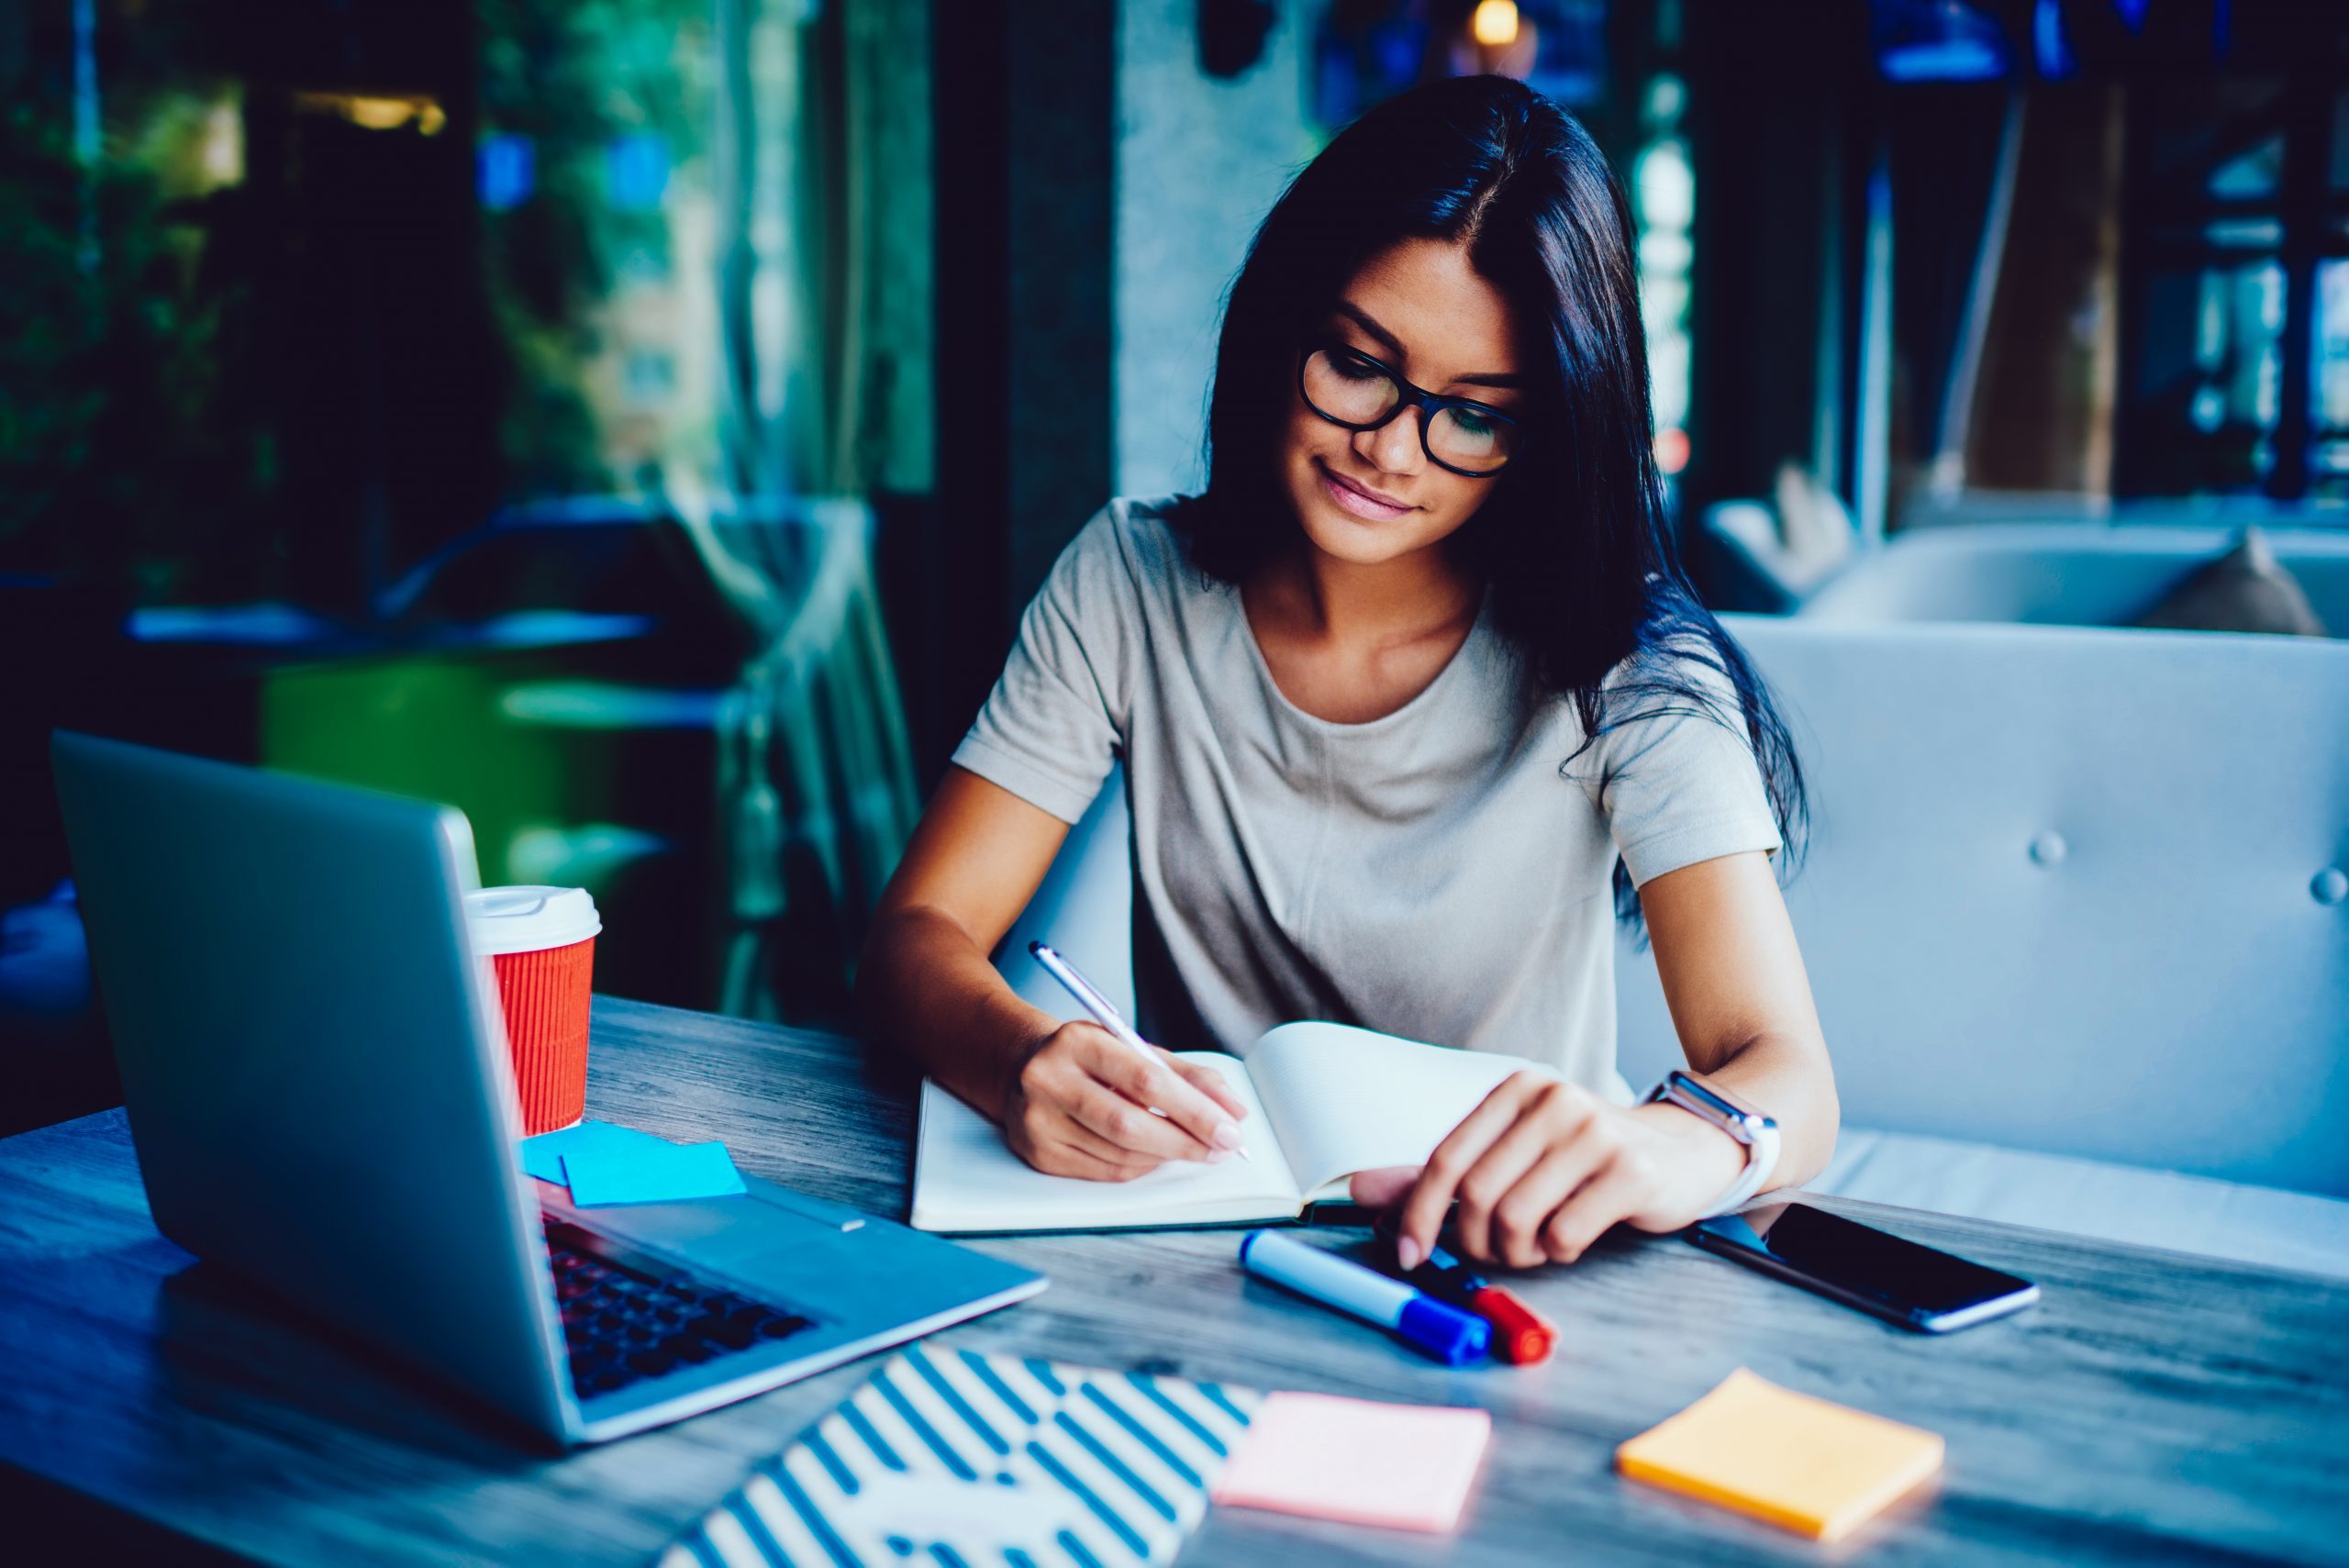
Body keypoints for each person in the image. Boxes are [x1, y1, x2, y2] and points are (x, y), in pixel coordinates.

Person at [860, 74, 1836, 1273]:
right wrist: (1016, 1057)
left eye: (1474, 416)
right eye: (1358, 362)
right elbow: (919, 931)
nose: (1387, 446)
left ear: (1548, 438)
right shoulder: (1131, 578)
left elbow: (1785, 1073)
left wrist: (1669, 1147)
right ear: (1285, 327)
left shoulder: (1622, 662)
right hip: (1206, 1246)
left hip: (1523, 1262)